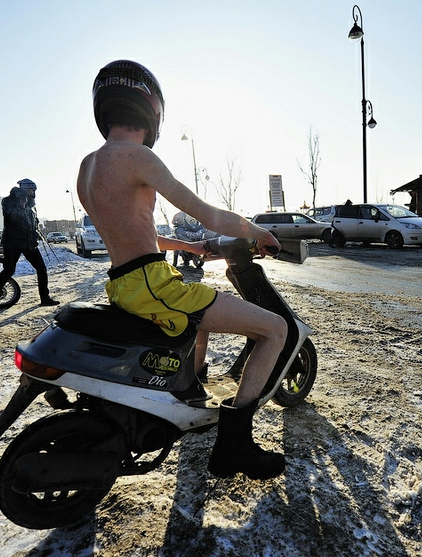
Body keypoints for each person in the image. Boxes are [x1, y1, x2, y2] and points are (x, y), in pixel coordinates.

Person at [77, 60, 288, 481]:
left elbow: (130, 231)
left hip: (125, 284)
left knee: (199, 323)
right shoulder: (139, 156)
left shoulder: (88, 166)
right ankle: (234, 445)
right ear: (151, 109)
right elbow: (207, 213)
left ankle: (190, 390)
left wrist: (186, 246)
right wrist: (257, 231)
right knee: (275, 329)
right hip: (153, 285)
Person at [0, 180, 59, 312]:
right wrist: (22, 206)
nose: (33, 193)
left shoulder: (30, 204)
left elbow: (30, 221)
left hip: (28, 242)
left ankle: (45, 297)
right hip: (13, 243)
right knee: (9, 270)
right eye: (31, 191)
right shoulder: (9, 201)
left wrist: (35, 230)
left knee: (41, 268)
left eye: (34, 191)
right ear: (24, 190)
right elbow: (15, 217)